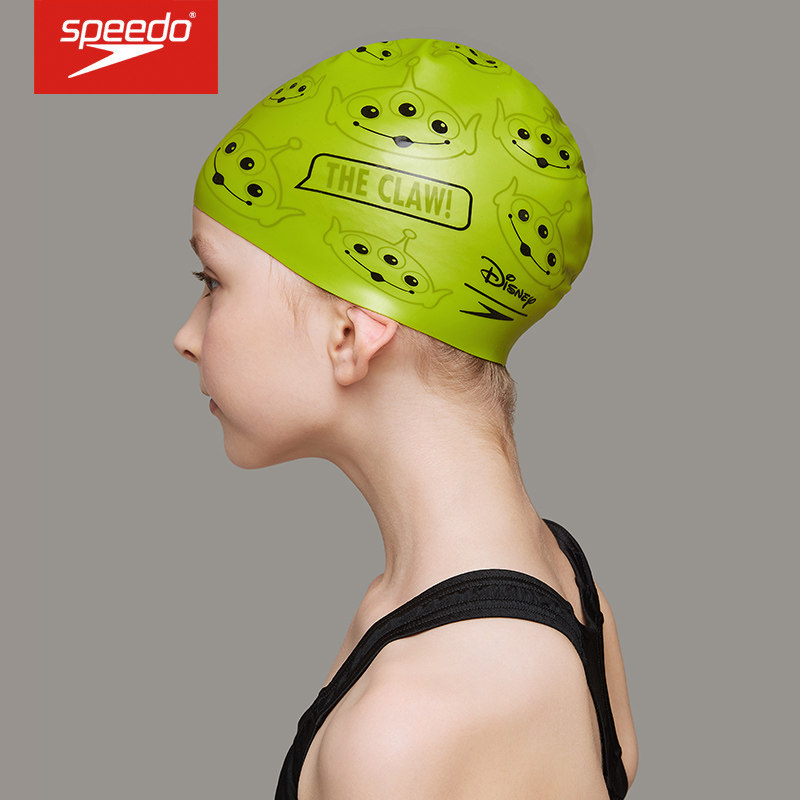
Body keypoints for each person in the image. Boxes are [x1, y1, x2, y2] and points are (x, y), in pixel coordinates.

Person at [174, 38, 637, 800]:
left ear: (350, 333)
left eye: (212, 280)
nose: (187, 336)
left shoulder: (403, 730)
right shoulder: (573, 589)